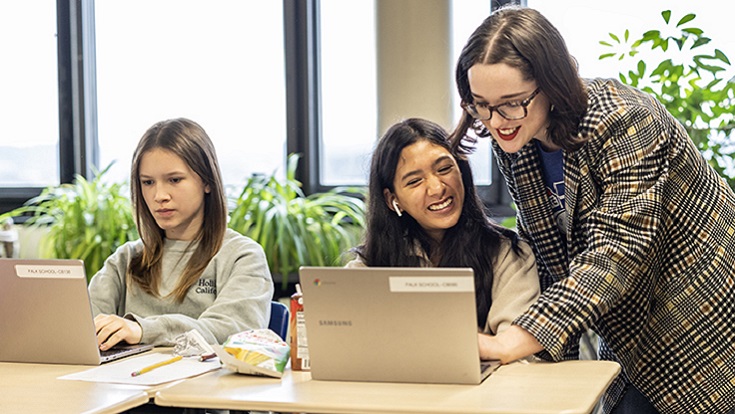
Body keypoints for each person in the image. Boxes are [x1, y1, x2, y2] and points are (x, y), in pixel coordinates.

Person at [449, 6, 735, 414]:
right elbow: (549, 252)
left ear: (551, 84)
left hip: (703, 318)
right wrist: (542, 359)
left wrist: (516, 338)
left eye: (512, 103)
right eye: (482, 105)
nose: (497, 121)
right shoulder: (517, 136)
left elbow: (616, 253)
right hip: (627, 327)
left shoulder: (626, 120)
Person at [89, 118, 274, 350]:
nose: (159, 195)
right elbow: (81, 326)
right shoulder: (125, 259)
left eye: (174, 180)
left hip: (209, 385)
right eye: (147, 182)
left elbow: (232, 330)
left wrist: (143, 330)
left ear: (207, 181)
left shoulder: (243, 256)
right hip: (133, 383)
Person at [348, 117, 540, 337]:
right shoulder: (369, 266)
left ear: (461, 170)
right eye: (414, 181)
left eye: (444, 168)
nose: (437, 188)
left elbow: (514, 347)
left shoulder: (508, 254)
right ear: (393, 199)